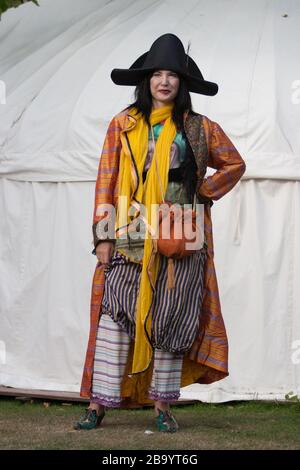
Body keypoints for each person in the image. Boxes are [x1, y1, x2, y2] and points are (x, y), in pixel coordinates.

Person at [75, 33, 246, 432]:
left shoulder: (201, 127)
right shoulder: (124, 124)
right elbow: (106, 180)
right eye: (157, 74)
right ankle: (98, 403)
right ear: (146, 80)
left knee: (172, 314)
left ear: (182, 83)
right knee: (115, 313)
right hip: (132, 225)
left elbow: (234, 165)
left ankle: (163, 407)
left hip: (180, 227)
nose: (164, 81)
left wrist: (201, 194)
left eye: (173, 75)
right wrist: (103, 236)